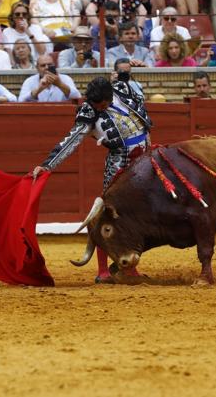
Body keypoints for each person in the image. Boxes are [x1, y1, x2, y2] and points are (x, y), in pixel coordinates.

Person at [31, 75, 152, 283]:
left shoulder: (122, 89)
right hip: (120, 163)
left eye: (102, 104)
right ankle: (104, 271)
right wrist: (48, 165)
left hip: (146, 158)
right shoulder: (90, 111)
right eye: (95, 105)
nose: (98, 108)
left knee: (143, 211)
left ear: (109, 96)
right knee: (107, 215)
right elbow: (71, 140)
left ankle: (127, 262)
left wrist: (126, 74)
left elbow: (139, 95)